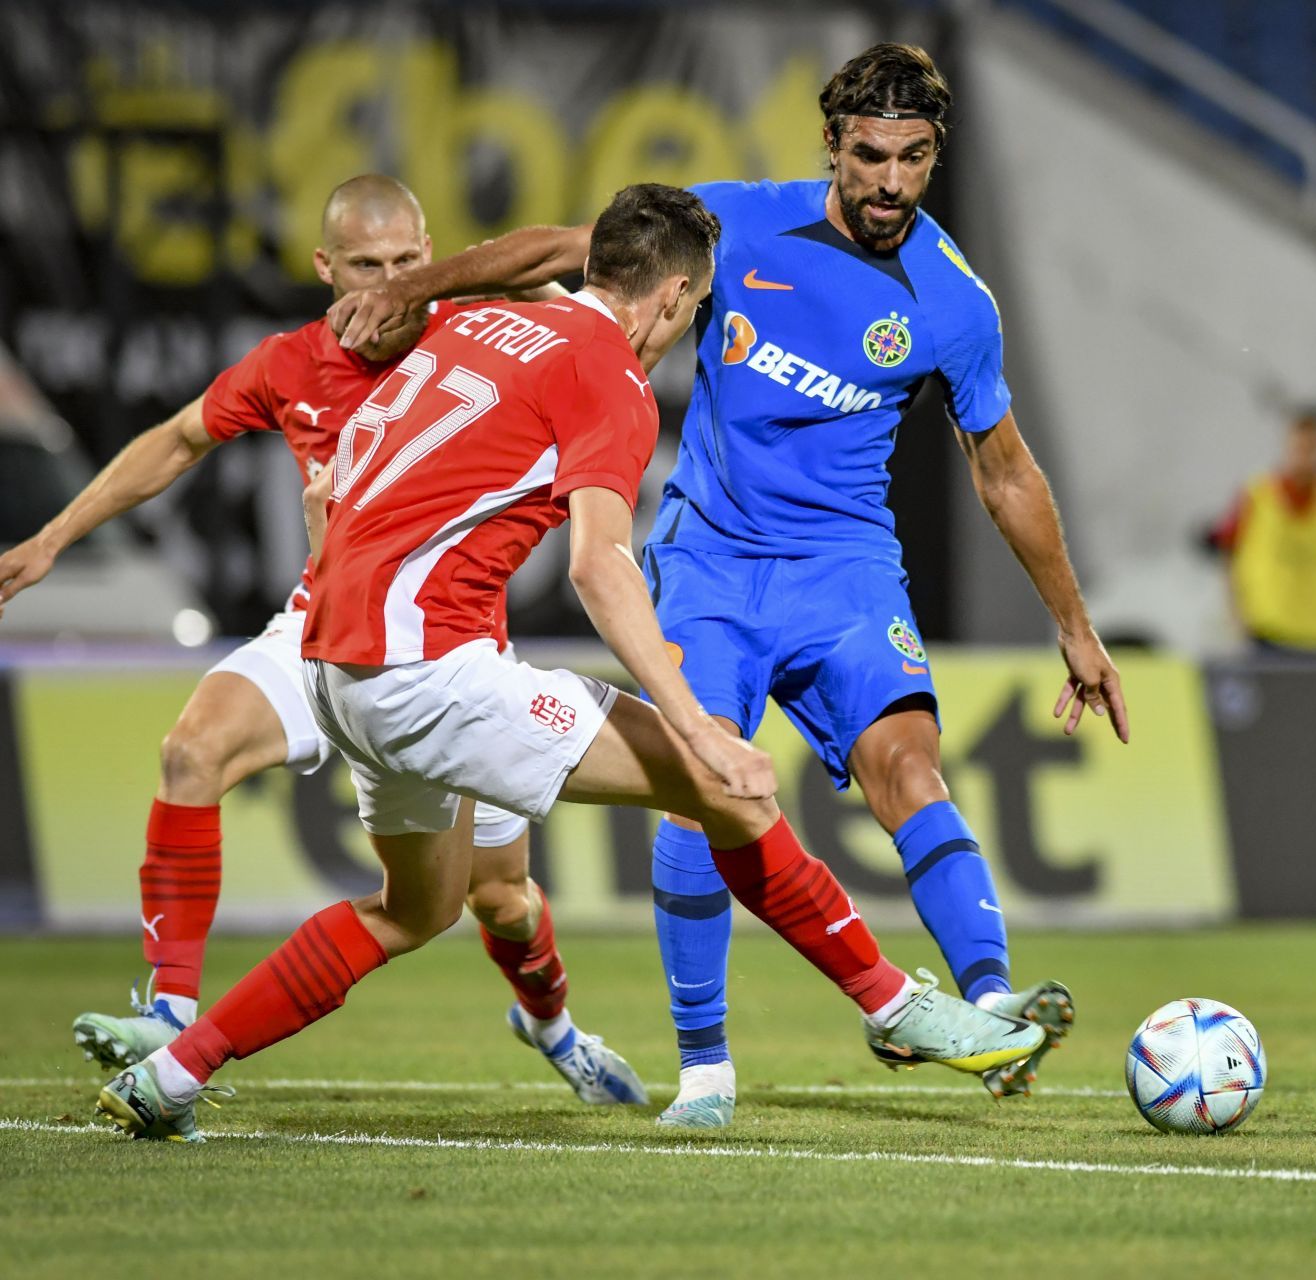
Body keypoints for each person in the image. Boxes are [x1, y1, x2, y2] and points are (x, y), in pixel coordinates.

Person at [93, 182, 1045, 1143]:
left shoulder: (480, 327)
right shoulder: (612, 378)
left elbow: (360, 467)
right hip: (428, 668)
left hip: (331, 659)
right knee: (728, 791)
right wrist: (693, 726)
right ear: (672, 296)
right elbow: (598, 566)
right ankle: (892, 1004)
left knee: (414, 911)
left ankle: (172, 1074)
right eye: (697, 308)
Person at [328, 43, 1127, 1125]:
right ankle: (705, 1065)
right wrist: (418, 281)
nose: (891, 181)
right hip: (708, 560)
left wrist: (1074, 626)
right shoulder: (737, 224)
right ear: (833, 149)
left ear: (939, 155)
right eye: (871, 155)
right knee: (697, 794)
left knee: (909, 765)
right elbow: (564, 249)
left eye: (915, 158)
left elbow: (1005, 469)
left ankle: (990, 1006)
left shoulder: (955, 301)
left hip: (846, 566)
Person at [0, 176, 648, 1108]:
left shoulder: (480, 332)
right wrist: (52, 539)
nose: (392, 283)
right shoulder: (291, 363)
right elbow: (179, 439)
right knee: (192, 750)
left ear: (434, 252)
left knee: (499, 898)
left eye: (408, 262)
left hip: (449, 651)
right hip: (323, 629)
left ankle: (552, 1025)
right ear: (324, 269)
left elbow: (584, 259)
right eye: (368, 267)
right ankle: (172, 1012)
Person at [1208, 405, 1316, 658]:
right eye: (1301, 447)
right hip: (1265, 632)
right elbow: (1229, 556)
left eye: (1313, 448)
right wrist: (1235, 617)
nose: (1307, 456)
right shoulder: (1256, 493)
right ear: (1287, 445)